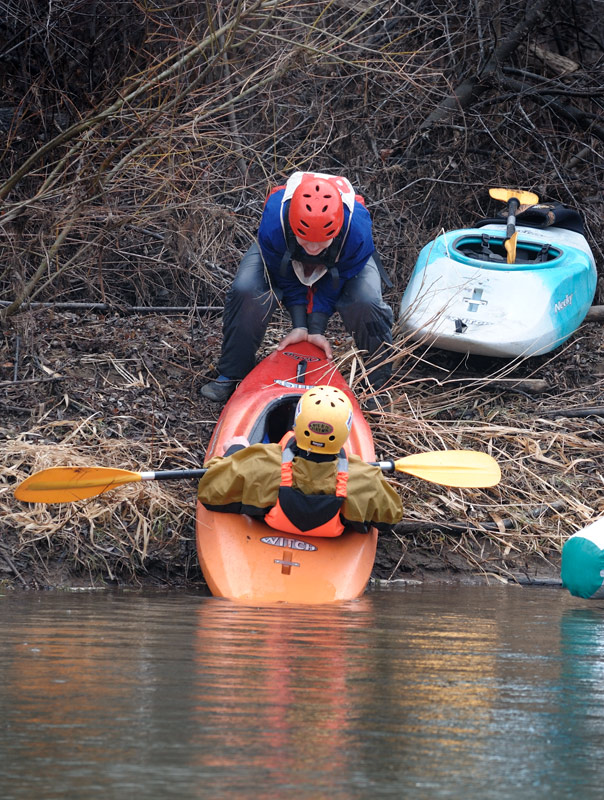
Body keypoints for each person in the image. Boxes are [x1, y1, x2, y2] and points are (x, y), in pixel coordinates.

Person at [200, 171, 394, 407]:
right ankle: (232, 373)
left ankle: (377, 386)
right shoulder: (274, 222)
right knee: (246, 290)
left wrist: (316, 328)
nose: (313, 248)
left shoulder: (357, 232)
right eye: (306, 240)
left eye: (321, 241)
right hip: (283, 253)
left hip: (341, 264)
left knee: (367, 303)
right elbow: (285, 277)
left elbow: (337, 281)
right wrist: (300, 324)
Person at [197, 385, 403, 536]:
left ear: (297, 423)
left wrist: (236, 451)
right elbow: (390, 518)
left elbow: (209, 490)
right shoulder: (366, 478)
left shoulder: (260, 462)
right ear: (345, 432)